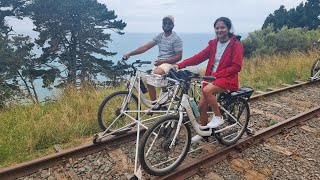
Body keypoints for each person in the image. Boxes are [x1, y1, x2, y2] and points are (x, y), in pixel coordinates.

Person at [174, 17, 244, 142]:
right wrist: (181, 64)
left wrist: (218, 74)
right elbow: (198, 57)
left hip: (227, 78)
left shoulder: (236, 45)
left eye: (222, 27)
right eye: (217, 28)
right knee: (201, 106)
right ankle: (204, 132)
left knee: (207, 91)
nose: (219, 30)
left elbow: (236, 67)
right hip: (211, 78)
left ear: (228, 28)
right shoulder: (213, 44)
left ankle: (218, 117)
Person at [123, 15, 183, 103]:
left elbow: (179, 57)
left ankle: (166, 91)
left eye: (169, 23)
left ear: (173, 25)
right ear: (162, 24)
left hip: (170, 63)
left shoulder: (176, 39)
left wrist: (163, 61)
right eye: (164, 23)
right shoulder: (160, 36)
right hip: (160, 63)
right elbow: (145, 47)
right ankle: (155, 105)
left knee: (156, 73)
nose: (166, 25)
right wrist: (129, 54)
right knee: (149, 81)